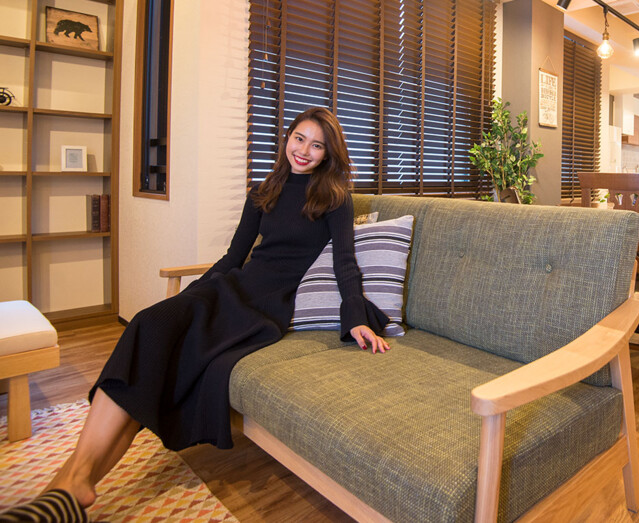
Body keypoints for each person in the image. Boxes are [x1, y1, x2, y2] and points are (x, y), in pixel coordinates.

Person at [3, 107, 389, 521]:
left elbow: (345, 262)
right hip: (233, 287)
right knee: (151, 323)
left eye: (317, 145)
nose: (304, 150)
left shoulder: (334, 199)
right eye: (299, 138)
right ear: (287, 138)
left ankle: (67, 487)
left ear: (329, 154)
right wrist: (192, 297)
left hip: (266, 305)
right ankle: (70, 486)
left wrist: (355, 317)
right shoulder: (264, 191)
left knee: (159, 350)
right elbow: (233, 257)